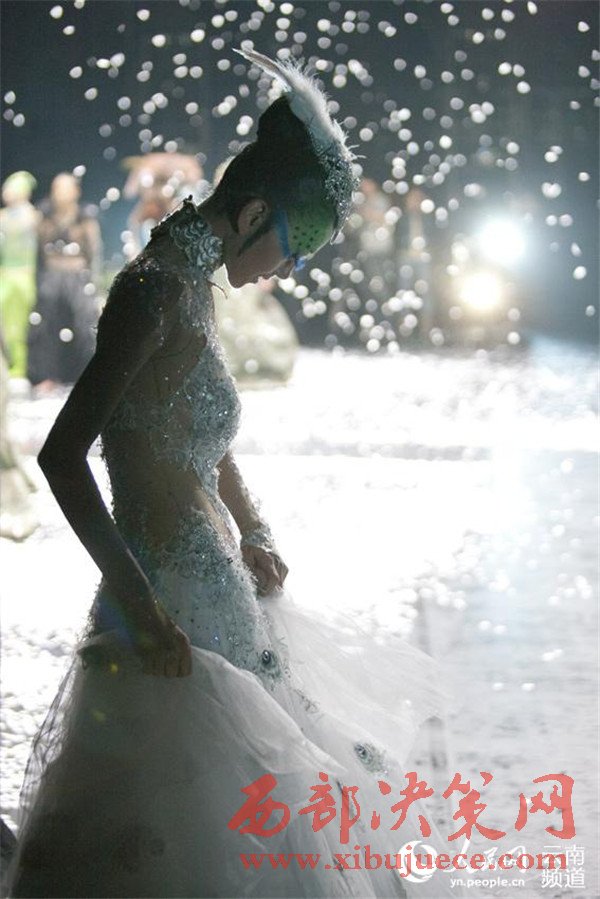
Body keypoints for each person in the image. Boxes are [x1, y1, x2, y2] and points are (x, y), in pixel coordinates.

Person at [7, 51, 452, 898]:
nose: (287, 272)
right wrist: (140, 608)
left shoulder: (194, 284)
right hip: (163, 620)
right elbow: (63, 456)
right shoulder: (152, 290)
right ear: (251, 213)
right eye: (291, 249)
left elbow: (200, 436)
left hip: (217, 594)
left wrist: (254, 528)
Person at [27, 173, 102, 393]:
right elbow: (37, 250)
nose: (61, 193)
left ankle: (87, 374)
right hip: (51, 275)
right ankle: (46, 376)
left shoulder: (84, 217)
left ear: (76, 191)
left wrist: (94, 284)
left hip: (78, 276)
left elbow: (93, 251)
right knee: (46, 326)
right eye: (57, 188)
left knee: (85, 326)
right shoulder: (44, 215)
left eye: (66, 188)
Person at [0, 171, 39, 379]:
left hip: (24, 275)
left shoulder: (33, 217)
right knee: (5, 323)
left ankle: (19, 368)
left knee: (20, 324)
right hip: (4, 275)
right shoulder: (3, 216)